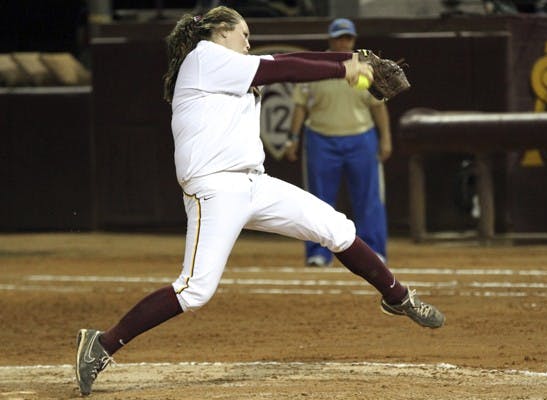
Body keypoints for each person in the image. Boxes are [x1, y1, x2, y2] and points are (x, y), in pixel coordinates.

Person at [75, 6, 445, 396]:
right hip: (214, 189)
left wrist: (350, 62)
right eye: (244, 34)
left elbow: (285, 61)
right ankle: (101, 344)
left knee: (336, 227)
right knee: (195, 289)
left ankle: (398, 297)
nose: (248, 42)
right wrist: (346, 68)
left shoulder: (227, 63)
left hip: (254, 184)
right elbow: (280, 68)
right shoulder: (204, 58)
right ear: (219, 31)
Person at [284, 18, 391, 267]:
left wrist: (385, 139)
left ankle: (374, 251)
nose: (344, 42)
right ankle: (319, 253)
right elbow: (300, 106)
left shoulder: (366, 67)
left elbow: (378, 109)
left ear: (354, 40)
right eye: (339, 38)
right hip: (321, 138)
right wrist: (293, 138)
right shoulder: (314, 67)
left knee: (368, 198)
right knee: (318, 201)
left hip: (361, 137)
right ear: (330, 40)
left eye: (348, 38)